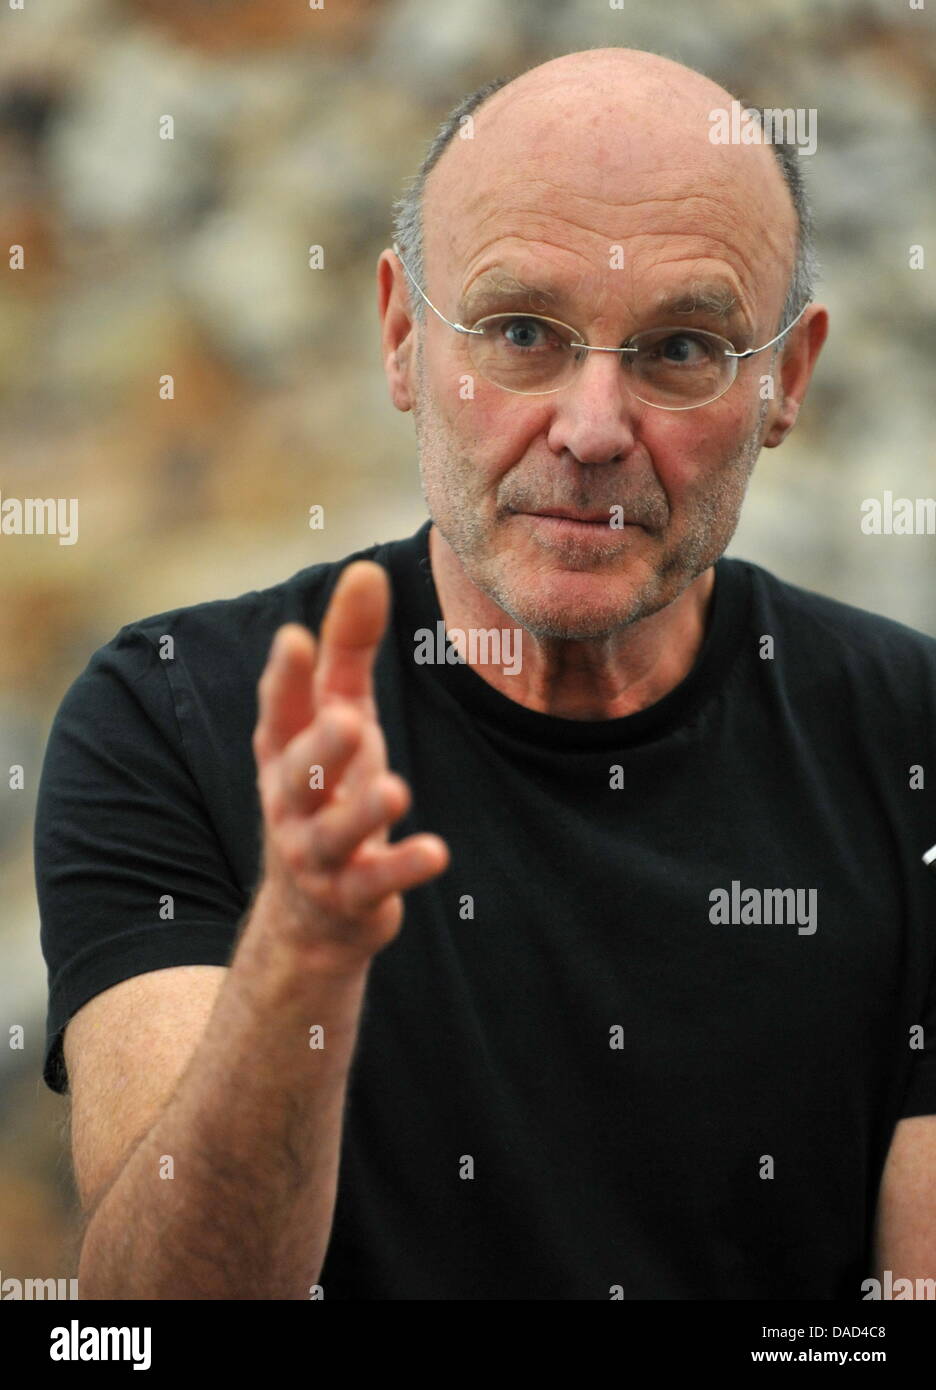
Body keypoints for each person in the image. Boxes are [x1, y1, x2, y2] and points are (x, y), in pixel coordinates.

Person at [35, 47, 936, 1300]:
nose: (591, 429)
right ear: (404, 337)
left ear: (786, 380)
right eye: (522, 333)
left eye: (682, 347)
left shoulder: (913, 743)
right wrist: (300, 951)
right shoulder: (174, 713)